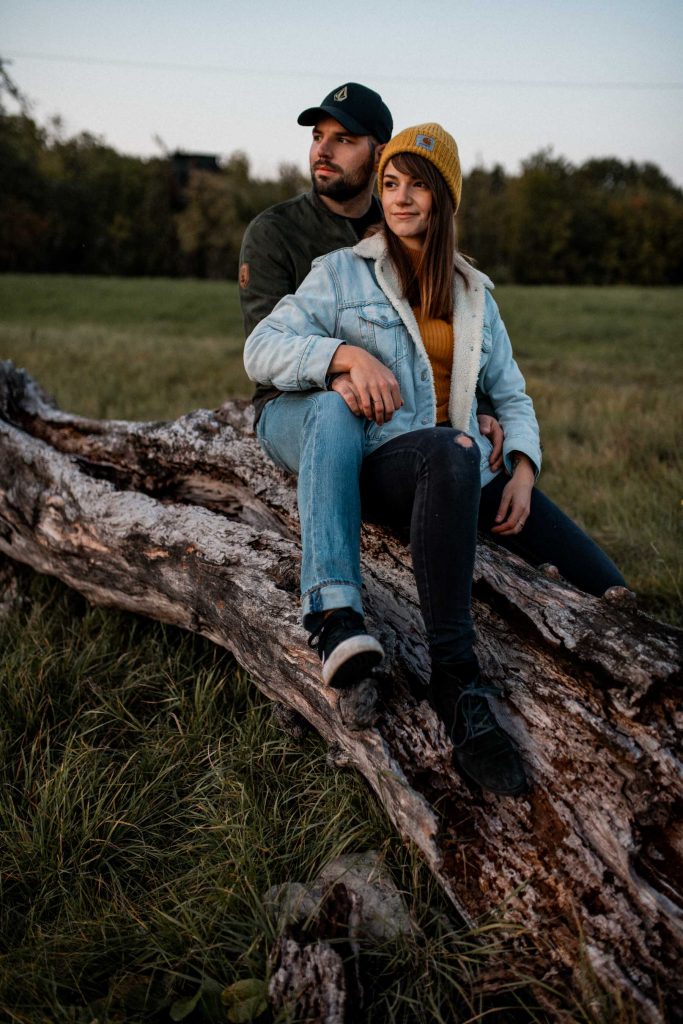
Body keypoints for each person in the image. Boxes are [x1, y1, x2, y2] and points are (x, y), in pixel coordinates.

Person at [244, 123, 627, 797]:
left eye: (416, 185)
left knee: (608, 590)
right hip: (379, 461)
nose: (398, 197)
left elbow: (510, 393)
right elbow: (262, 347)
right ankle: (456, 680)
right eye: (389, 184)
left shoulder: (474, 295)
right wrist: (341, 356)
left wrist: (523, 470)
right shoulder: (341, 272)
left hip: (454, 465)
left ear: (444, 198)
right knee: (451, 448)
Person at [238, 82, 504, 469]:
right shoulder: (274, 231)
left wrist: (479, 408)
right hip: (294, 403)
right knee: (335, 412)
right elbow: (267, 346)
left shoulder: (401, 222)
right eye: (317, 137)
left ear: (381, 154)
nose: (322, 151)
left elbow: (445, 335)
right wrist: (340, 371)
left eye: (343, 139)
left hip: (393, 416)